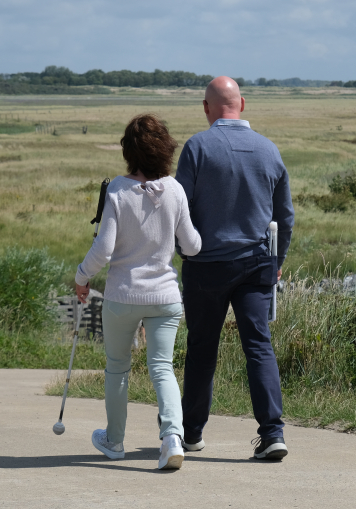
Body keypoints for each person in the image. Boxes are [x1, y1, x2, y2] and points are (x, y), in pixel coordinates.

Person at [175, 76, 294, 459]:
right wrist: (278, 261)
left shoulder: (197, 146)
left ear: (207, 108)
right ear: (242, 104)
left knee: (202, 349)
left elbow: (180, 210)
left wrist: (183, 251)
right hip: (256, 263)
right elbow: (285, 217)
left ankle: (191, 432)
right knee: (259, 347)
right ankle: (272, 432)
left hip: (206, 265)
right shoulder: (269, 149)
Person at [75, 114, 202, 470]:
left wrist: (82, 277)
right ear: (166, 149)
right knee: (163, 367)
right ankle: (172, 438)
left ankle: (114, 441)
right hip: (165, 297)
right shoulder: (175, 189)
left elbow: (104, 249)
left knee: (118, 368)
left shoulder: (117, 188)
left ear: (128, 150)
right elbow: (192, 246)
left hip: (122, 295)